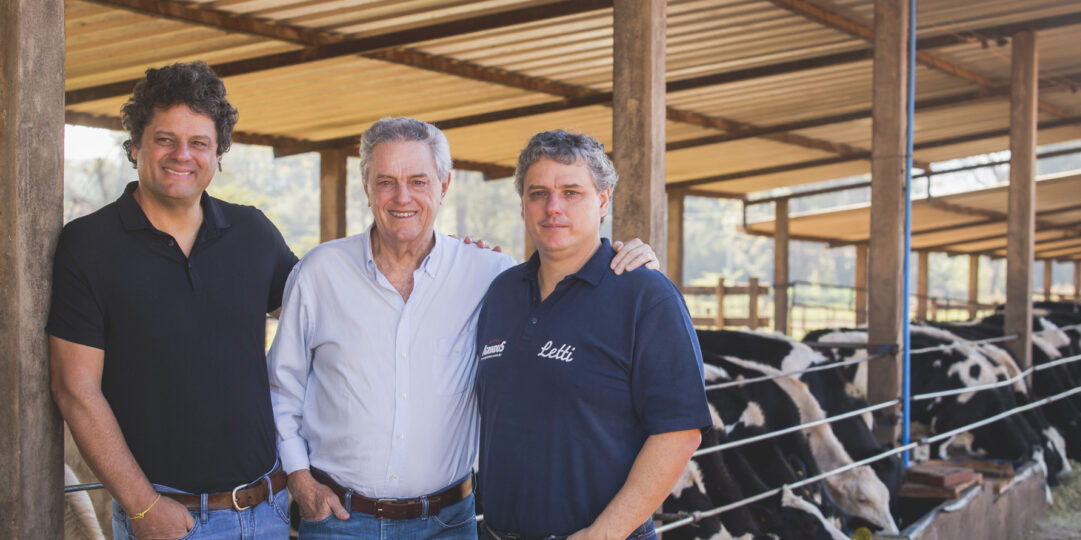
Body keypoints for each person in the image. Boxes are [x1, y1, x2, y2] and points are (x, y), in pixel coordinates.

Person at [267, 117, 658, 540]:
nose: (402, 197)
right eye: (386, 182)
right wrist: (299, 480)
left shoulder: (491, 274)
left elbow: (568, 273)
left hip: (447, 523)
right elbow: (280, 387)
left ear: (444, 185)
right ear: (366, 188)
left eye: (419, 181)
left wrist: (631, 258)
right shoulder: (319, 272)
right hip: (339, 520)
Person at [48, 62, 297, 540]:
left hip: (267, 509)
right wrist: (143, 509)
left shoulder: (252, 233)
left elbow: (329, 315)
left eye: (199, 143)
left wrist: (446, 259)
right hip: (166, 521)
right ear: (136, 144)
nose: (182, 155)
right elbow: (74, 388)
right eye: (165, 139)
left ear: (218, 153)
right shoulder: (89, 244)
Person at [474, 130, 712, 540]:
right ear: (523, 205)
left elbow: (679, 433)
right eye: (538, 193)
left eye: (571, 192)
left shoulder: (646, 295)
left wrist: (602, 534)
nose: (553, 208)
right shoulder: (500, 293)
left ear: (603, 201)